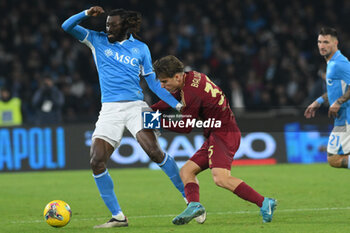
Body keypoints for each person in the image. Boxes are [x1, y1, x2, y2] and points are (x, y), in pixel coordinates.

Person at [61, 6, 190, 228]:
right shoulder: (96, 39)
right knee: (96, 161)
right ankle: (118, 217)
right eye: (107, 24)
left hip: (135, 107)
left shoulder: (140, 49)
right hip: (109, 110)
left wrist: (177, 104)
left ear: (125, 26)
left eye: (113, 24)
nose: (107, 27)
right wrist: (85, 13)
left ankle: (190, 199)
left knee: (153, 151)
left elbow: (152, 83)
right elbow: (66, 26)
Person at [151, 55, 277, 225]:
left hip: (223, 134)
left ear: (177, 77)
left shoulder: (191, 93)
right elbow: (176, 97)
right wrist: (153, 109)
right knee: (186, 171)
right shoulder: (193, 76)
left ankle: (264, 203)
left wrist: (156, 121)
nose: (162, 86)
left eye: (164, 81)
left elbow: (186, 127)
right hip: (217, 133)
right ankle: (195, 205)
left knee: (221, 178)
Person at [305, 27, 350, 169]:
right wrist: (318, 101)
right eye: (319, 42)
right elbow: (334, 90)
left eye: (326, 42)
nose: (322, 46)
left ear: (335, 43)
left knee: (334, 159)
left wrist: (338, 102)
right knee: (338, 158)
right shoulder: (331, 63)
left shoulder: (340, 63)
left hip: (346, 119)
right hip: (342, 118)